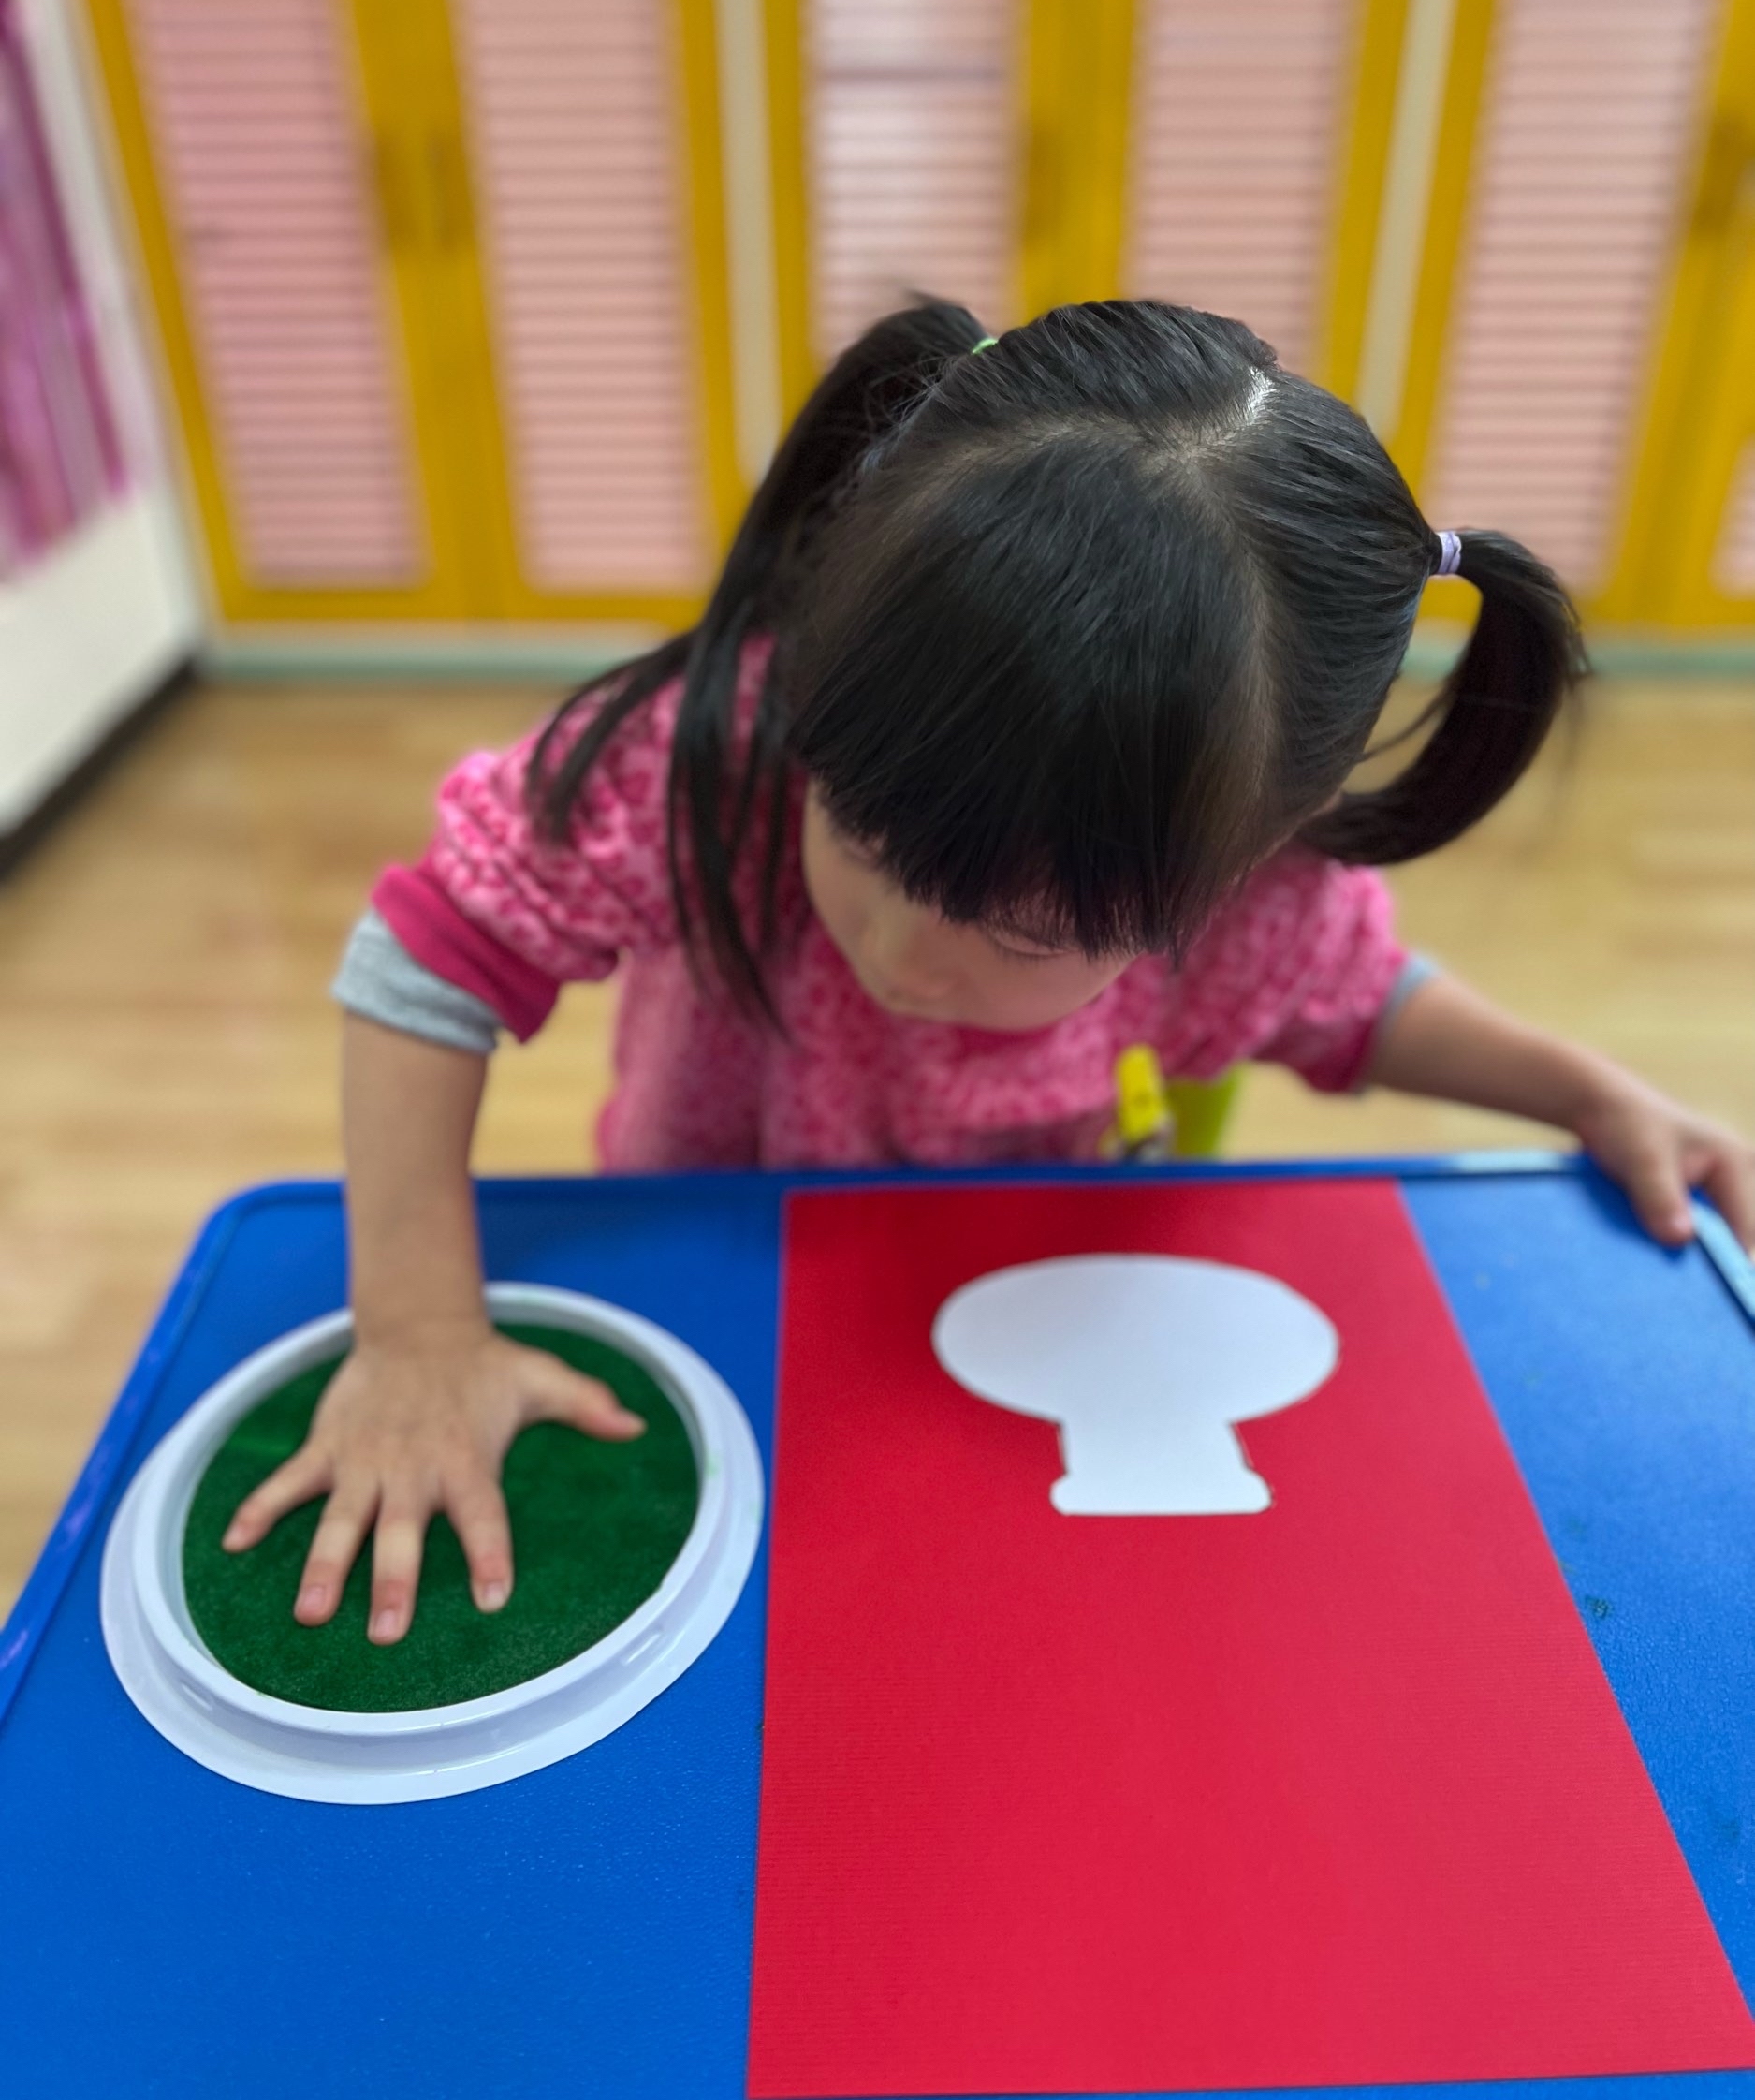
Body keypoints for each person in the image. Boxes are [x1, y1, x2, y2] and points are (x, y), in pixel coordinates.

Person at [224, 299, 1755, 1642]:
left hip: (1031, 1335)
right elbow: (426, 957)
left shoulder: (1237, 891)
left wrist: (1587, 1094)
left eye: (1018, 935)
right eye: (862, 834)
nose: (894, 951)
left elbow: (1364, 1005)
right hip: (717, 1277)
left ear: (1241, 866)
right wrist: (417, 1325)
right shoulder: (718, 751)